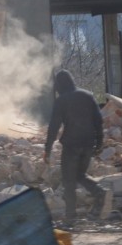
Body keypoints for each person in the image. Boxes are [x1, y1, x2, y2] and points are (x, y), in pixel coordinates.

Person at [43, 69, 111, 223]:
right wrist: (99, 142)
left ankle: (70, 217)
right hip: (88, 144)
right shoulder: (88, 96)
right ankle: (99, 191)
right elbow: (98, 121)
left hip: (71, 146)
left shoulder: (62, 101)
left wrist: (47, 149)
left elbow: (54, 127)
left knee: (68, 181)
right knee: (79, 175)